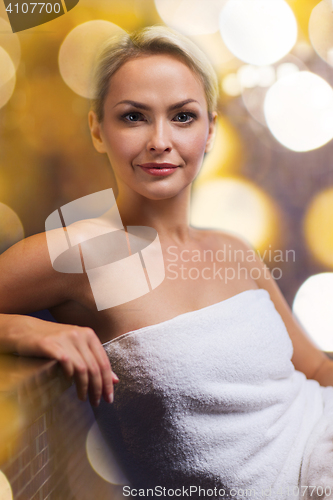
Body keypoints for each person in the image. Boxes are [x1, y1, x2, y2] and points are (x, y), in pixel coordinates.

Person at [0, 25, 333, 499]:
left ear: (210, 131)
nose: (160, 140)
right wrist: (29, 330)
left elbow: (319, 372)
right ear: (98, 130)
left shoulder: (231, 249)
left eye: (182, 117)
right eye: (134, 117)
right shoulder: (85, 250)